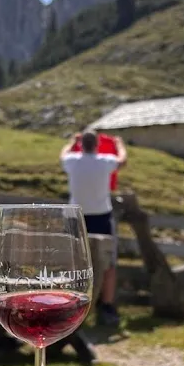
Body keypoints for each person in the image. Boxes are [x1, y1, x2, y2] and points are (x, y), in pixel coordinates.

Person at [60, 129, 127, 326]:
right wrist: (119, 144)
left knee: (72, 260)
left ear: (81, 145)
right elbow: (122, 160)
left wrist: (72, 141)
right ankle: (106, 306)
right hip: (101, 216)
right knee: (108, 263)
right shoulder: (105, 161)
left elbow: (62, 154)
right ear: (97, 145)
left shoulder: (72, 161)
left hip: (75, 215)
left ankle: (70, 303)